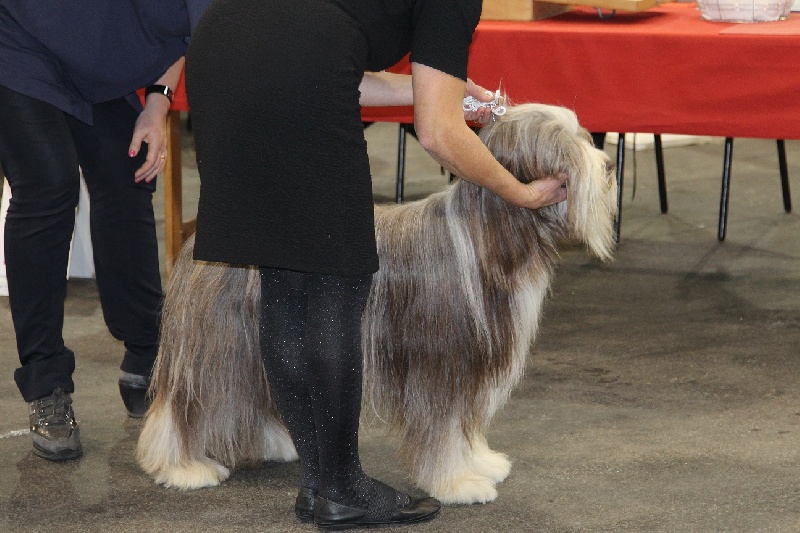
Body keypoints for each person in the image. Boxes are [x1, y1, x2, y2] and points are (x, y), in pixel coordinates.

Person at [185, 0, 568, 529]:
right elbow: (440, 135)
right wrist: (520, 192)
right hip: (285, 63)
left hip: (221, 48)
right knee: (334, 286)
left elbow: (332, 65)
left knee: (285, 278)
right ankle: (341, 488)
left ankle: (322, 485)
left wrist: (442, 88)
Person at [0, 0, 209, 461]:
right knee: (48, 184)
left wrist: (157, 105)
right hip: (18, 37)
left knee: (127, 169)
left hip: (93, 64)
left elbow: (192, 33)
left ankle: (145, 352)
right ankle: (46, 381)